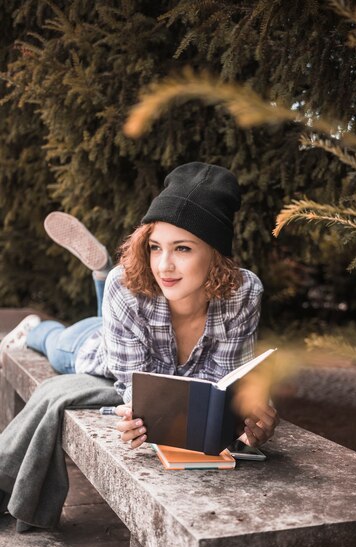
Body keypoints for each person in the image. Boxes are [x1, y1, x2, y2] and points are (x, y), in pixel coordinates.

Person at [1, 162, 278, 449]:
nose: (163, 266)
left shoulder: (242, 293)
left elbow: (223, 385)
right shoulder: (125, 287)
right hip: (98, 344)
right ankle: (35, 326)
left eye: (182, 248)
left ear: (216, 254)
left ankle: (101, 276)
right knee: (55, 341)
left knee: (114, 286)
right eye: (155, 247)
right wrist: (143, 419)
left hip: (126, 318)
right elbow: (137, 389)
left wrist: (249, 421)